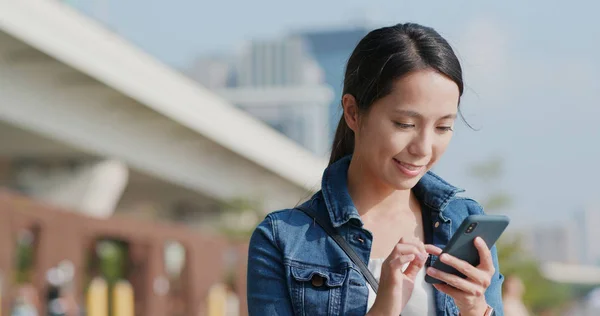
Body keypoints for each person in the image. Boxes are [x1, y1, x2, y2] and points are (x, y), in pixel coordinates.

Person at [247, 22, 503, 316]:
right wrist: (384, 308)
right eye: (405, 124)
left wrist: (475, 308)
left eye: (443, 127)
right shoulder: (283, 240)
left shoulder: (464, 221)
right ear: (353, 113)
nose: (423, 147)